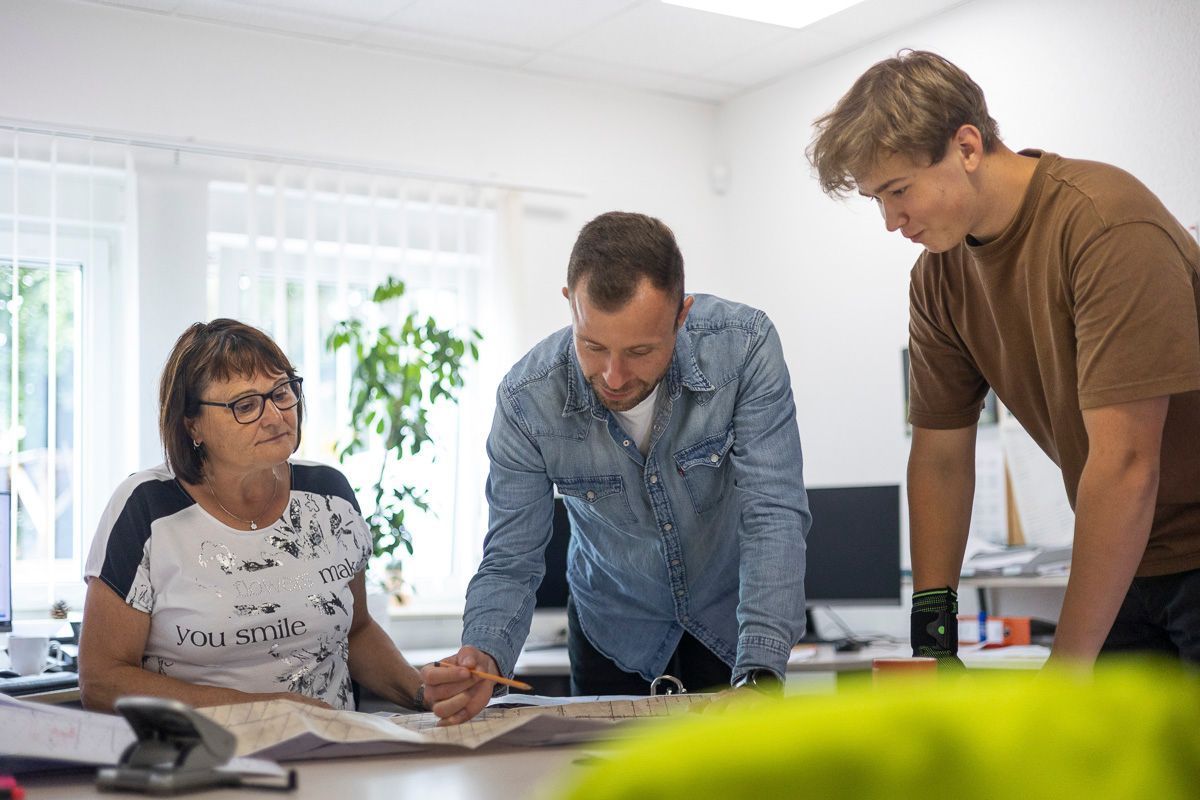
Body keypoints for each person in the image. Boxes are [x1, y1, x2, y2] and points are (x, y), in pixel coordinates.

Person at [807, 50, 1200, 667]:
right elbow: (939, 457)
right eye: (875, 200)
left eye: (899, 190)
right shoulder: (938, 279)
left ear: (966, 147)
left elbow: (1126, 464)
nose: (890, 221)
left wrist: (1068, 670)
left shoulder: (1104, 225)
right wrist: (931, 644)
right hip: (1130, 559)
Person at [422, 211, 811, 725]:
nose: (613, 375)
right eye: (593, 345)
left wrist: (761, 673)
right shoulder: (526, 401)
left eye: (640, 351)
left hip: (733, 628)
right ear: (570, 305)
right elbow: (511, 557)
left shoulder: (744, 348)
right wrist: (483, 654)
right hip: (613, 633)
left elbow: (774, 514)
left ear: (681, 315)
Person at [80, 319, 425, 711]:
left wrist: (422, 692)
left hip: (332, 756)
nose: (276, 415)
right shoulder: (146, 509)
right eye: (245, 405)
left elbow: (357, 632)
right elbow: (102, 680)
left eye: (282, 392)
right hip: (202, 760)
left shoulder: (330, 497)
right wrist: (265, 709)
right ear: (192, 424)